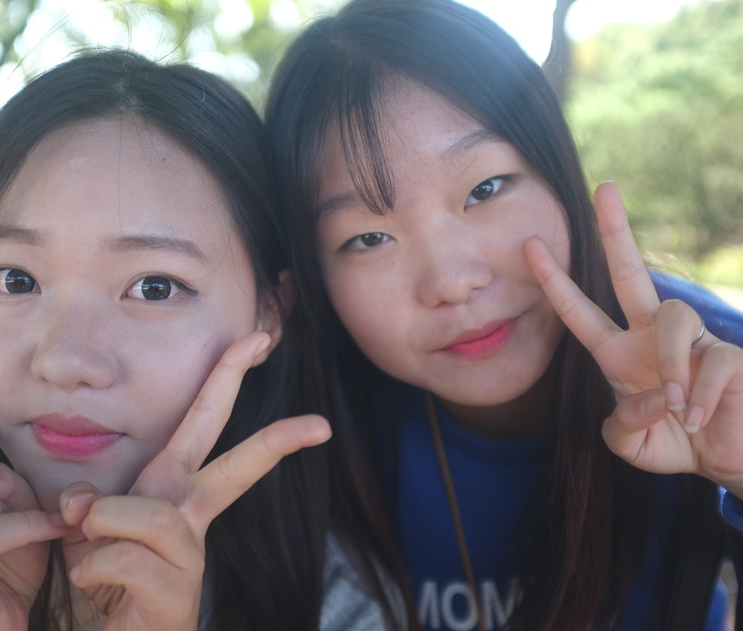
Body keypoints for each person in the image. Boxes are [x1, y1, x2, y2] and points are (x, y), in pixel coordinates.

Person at [0, 49, 410, 631]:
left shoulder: (324, 590)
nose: (65, 362)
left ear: (268, 314)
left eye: (156, 288)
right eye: (16, 279)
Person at [264, 1, 743, 630]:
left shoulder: (711, 366)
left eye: (484, 189)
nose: (451, 282)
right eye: (368, 238)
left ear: (556, 168)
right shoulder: (292, 435)